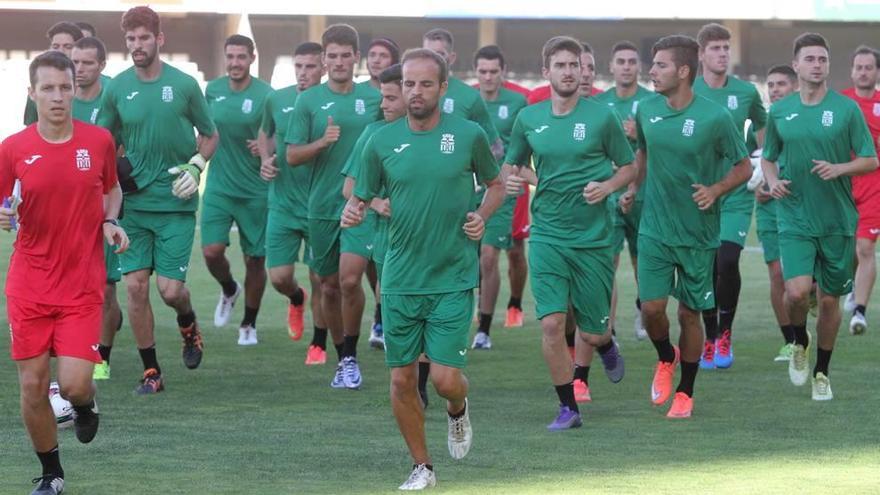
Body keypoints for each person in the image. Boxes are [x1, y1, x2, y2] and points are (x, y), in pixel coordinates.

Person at [341, 47, 503, 490]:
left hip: (452, 275)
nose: (415, 92)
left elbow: (497, 184)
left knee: (447, 378)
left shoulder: (467, 135)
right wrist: (354, 211)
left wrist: (482, 216)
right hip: (398, 278)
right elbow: (360, 194)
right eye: (408, 84)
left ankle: (457, 409)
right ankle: (422, 466)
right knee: (401, 378)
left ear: (443, 89)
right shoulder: (380, 140)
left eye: (425, 84)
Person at [2, 51, 128, 495]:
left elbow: (111, 189)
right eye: (47, 88)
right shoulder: (13, 149)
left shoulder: (98, 142)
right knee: (34, 386)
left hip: (80, 286)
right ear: (32, 94)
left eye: (64, 87)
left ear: (76, 89)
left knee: (74, 385)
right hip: (29, 284)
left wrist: (110, 221)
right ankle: (52, 474)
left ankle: (86, 404)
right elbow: (1, 204)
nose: (57, 96)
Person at [505, 36, 634, 430]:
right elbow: (514, 166)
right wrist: (523, 180)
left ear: (582, 71)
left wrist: (608, 187)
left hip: (593, 238)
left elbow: (628, 167)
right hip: (546, 235)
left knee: (592, 331)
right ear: (546, 72)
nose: (568, 72)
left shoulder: (601, 117)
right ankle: (568, 407)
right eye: (560, 65)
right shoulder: (529, 118)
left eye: (573, 65)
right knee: (550, 324)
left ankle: (606, 342)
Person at [98, 6, 219, 393]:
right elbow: (103, 143)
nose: (137, 45)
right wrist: (112, 171)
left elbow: (210, 134)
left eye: (144, 38)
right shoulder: (117, 88)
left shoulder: (184, 85)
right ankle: (152, 372)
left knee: (170, 291)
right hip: (133, 207)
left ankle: (188, 324)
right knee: (134, 286)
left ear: (159, 40)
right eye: (131, 39)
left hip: (176, 207)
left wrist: (197, 165)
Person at [635, 35, 751, 418]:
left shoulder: (715, 117)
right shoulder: (646, 109)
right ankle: (665, 356)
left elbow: (743, 167)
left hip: (698, 232)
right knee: (651, 308)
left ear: (683, 71)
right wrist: (633, 190)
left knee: (689, 314)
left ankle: (685, 391)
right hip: (653, 228)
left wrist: (716, 189)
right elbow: (644, 155)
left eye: (661, 65)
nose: (652, 71)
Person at [761, 33, 878, 401]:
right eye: (809, 59)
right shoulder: (780, 111)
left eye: (822, 59)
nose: (817, 64)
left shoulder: (846, 110)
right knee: (795, 291)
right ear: (796, 66)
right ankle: (798, 341)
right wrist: (773, 179)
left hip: (837, 219)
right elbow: (768, 156)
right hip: (794, 215)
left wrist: (839, 168)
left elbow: (871, 159)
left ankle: (822, 372)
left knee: (829, 301)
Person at [286, 23, 382, 389]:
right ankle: (343, 357)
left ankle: (359, 351)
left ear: (356, 58)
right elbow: (292, 155)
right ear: (324, 60)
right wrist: (322, 143)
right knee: (327, 286)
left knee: (350, 278)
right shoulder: (308, 101)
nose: (339, 62)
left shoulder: (375, 99)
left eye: (346, 55)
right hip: (322, 206)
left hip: (362, 207)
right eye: (333, 56)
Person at [693, 23, 768, 370]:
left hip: (736, 190)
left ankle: (725, 333)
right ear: (701, 54)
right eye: (716, 48)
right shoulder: (686, 90)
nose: (723, 53)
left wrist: (765, 169)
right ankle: (709, 336)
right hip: (699, 193)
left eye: (726, 47)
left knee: (726, 260)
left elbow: (766, 137)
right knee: (706, 266)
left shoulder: (747, 92)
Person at [202, 34, 273, 345]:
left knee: (255, 260)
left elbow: (277, 135)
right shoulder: (212, 90)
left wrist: (266, 148)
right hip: (219, 186)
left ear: (251, 58)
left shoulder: (266, 95)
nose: (234, 63)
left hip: (256, 190)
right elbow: (205, 131)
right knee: (211, 251)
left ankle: (248, 323)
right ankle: (229, 288)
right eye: (230, 57)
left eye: (241, 57)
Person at [258, 41, 326, 359]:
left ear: (323, 68)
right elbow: (265, 132)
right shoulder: (277, 98)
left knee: (321, 277)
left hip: (318, 204)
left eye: (310, 66)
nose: (303, 73)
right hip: (282, 203)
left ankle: (319, 342)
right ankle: (296, 298)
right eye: (298, 66)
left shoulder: (329, 102)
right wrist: (266, 159)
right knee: (280, 276)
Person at [341, 63, 406, 353]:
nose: (383, 105)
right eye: (382, 97)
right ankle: (352, 353)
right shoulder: (373, 132)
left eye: (390, 98)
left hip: (430, 237)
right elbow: (349, 188)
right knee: (354, 280)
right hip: (384, 231)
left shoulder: (446, 133)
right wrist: (377, 203)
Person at [70, 36, 124, 380]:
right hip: (65, 209)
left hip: (104, 203)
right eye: (75, 61)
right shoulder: (59, 101)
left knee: (105, 285)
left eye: (87, 63)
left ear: (102, 65)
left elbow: (124, 146)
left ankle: (101, 356)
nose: (79, 69)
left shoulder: (113, 99)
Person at [471, 45, 528, 350]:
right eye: (483, 71)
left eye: (494, 71)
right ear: (475, 72)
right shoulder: (467, 100)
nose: (488, 77)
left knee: (491, 256)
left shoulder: (518, 102)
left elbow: (524, 145)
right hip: (468, 189)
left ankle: (484, 327)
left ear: (503, 72)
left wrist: (518, 175)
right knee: (468, 258)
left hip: (502, 189)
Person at [755, 64, 799, 362]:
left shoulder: (802, 118)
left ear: (794, 87)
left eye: (781, 84)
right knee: (777, 274)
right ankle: (792, 340)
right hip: (769, 209)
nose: (775, 90)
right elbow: (758, 162)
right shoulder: (764, 123)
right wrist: (760, 186)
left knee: (804, 279)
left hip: (800, 208)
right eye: (770, 85)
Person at [841, 45, 880, 336]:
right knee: (848, 248)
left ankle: (860, 312)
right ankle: (853, 284)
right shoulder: (840, 103)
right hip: (842, 183)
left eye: (869, 67)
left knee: (865, 247)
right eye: (859, 67)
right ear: (852, 71)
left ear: (877, 72)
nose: (864, 72)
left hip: (874, 185)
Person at [23, 21, 84, 126]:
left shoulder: (104, 86)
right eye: (55, 46)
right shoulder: (38, 87)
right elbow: (31, 129)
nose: (60, 51)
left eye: (67, 46)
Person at [527, 42, 602, 104]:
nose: (587, 74)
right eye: (579, 67)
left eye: (591, 68)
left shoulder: (601, 99)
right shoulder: (538, 97)